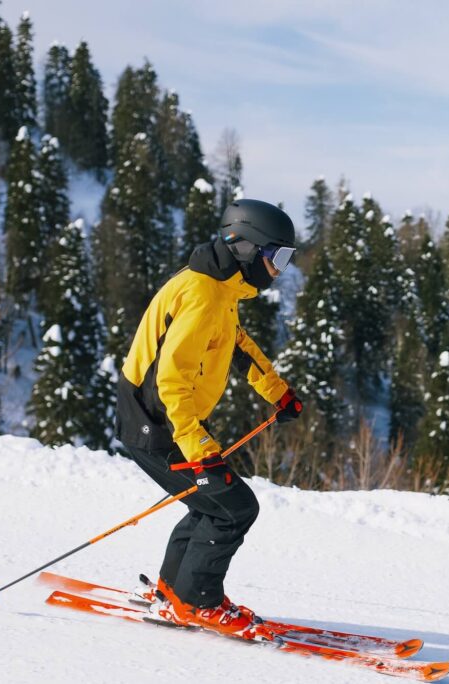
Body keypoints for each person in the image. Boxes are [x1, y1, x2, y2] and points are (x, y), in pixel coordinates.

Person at [115, 199, 303, 636]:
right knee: (232, 507)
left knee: (209, 503)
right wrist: (198, 447)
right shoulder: (202, 294)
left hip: (165, 419)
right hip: (155, 423)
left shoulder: (220, 288)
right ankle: (199, 602)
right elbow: (170, 381)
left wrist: (278, 392)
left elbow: (236, 345)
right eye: (278, 257)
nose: (281, 269)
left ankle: (175, 592)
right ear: (247, 248)